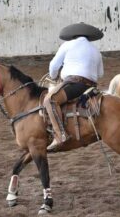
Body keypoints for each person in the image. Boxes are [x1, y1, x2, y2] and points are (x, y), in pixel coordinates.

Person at [44, 22, 104, 151]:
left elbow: (53, 66)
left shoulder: (68, 45)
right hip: (91, 88)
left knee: (50, 100)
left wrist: (54, 76)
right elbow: (101, 73)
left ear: (73, 35)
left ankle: (60, 135)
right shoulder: (96, 50)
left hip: (74, 84)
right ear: (89, 37)